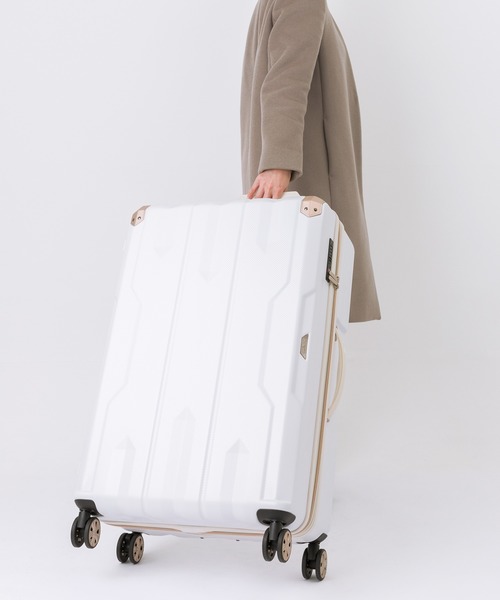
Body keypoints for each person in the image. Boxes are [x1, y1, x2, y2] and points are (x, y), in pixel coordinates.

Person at [241, 0, 381, 322]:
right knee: (307, 320)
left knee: (291, 322)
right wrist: (278, 163)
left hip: (293, 185)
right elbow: (286, 79)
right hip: (305, 189)